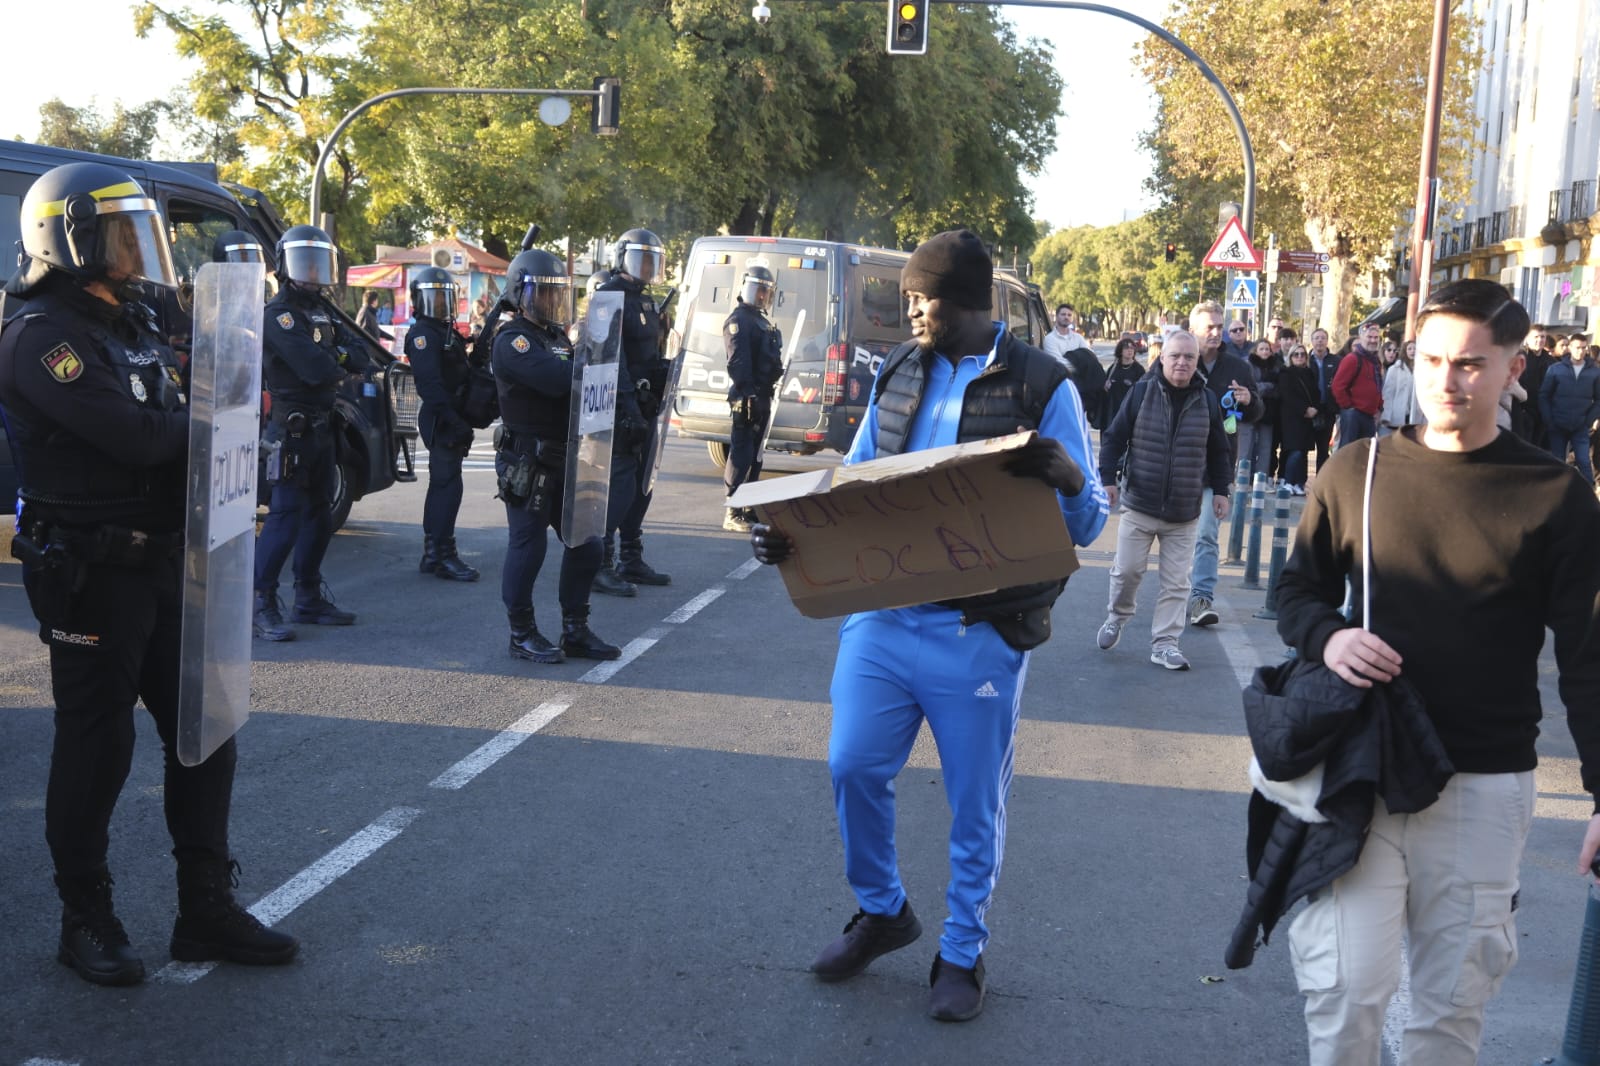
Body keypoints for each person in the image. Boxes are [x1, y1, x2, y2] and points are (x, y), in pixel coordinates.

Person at [748, 230, 1108, 1023]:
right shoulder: (898, 370)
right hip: (883, 621)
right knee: (851, 767)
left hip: (978, 632)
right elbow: (852, 486)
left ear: (970, 303)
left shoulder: (1046, 385)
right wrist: (787, 532)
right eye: (908, 296)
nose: (909, 308)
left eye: (924, 298)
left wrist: (1071, 477)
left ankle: (962, 952)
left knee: (973, 802)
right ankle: (883, 912)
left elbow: (1087, 524)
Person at [1273, 278, 1600, 1065]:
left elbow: (1589, 654)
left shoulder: (1555, 493)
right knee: (1346, 993)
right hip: (1365, 772)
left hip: (1483, 785)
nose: (1447, 381)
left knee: (1449, 1021)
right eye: (1431, 361)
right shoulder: (1359, 470)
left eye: (1470, 365)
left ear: (1514, 368)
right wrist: (1328, 639)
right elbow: (1297, 589)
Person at [0, 162, 298, 986]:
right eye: (122, 233)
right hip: (94, 573)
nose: (139, 250)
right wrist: (205, 417)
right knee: (98, 747)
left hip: (170, 559)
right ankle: (84, 916)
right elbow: (134, 437)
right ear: (68, 239)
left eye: (143, 233)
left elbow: (182, 407)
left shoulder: (130, 322)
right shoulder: (41, 337)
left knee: (206, 731)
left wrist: (203, 406)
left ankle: (204, 910)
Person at [491, 248, 621, 664]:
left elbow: (583, 377)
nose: (552, 301)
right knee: (528, 548)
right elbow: (557, 380)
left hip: (566, 457)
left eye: (556, 294)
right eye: (544, 293)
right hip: (528, 463)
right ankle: (521, 632)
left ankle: (575, 630)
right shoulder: (514, 340)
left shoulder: (555, 337)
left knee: (587, 543)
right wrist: (589, 357)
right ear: (521, 294)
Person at [252, 225, 369, 641]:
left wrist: (337, 355)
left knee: (320, 513)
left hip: (323, 426)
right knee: (285, 516)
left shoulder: (322, 311)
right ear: (284, 265)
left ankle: (308, 597)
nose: (313, 271)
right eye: (305, 261)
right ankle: (260, 601)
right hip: (292, 428)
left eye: (320, 262)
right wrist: (338, 357)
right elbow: (316, 367)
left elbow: (361, 354)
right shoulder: (278, 315)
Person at [1095, 330, 1232, 670]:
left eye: (1189, 357)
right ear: (1162, 358)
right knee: (1127, 572)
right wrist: (1108, 481)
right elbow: (1114, 438)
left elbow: (1219, 450)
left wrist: (1221, 490)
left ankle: (1165, 643)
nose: (1182, 362)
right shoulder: (1142, 391)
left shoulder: (1208, 400)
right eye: (1175, 356)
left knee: (1176, 583)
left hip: (1184, 512)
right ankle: (1117, 615)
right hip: (1140, 503)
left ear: (1196, 361)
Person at [592, 227, 672, 596]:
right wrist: (627, 407)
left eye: (652, 259)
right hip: (619, 409)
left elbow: (648, 357)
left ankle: (631, 557)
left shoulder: (647, 302)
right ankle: (601, 563)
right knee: (619, 486)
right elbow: (611, 358)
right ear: (621, 256)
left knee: (643, 485)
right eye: (640, 257)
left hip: (644, 406)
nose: (647, 266)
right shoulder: (608, 296)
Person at [1185, 300, 1263, 629]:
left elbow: (1256, 411)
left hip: (1216, 464)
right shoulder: (1178, 359)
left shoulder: (1238, 367)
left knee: (1206, 533)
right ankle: (1173, 594)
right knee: (1172, 535)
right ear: (1193, 331)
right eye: (1210, 327)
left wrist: (1249, 401)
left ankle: (1201, 598)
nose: (1217, 333)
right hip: (1177, 463)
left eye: (1220, 326)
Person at [406, 266, 479, 582]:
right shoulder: (422, 334)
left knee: (446, 485)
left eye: (443, 299)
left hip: (450, 416)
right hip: (441, 418)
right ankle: (441, 554)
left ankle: (434, 553)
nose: (438, 306)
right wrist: (453, 420)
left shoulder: (446, 332)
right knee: (446, 486)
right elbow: (430, 385)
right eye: (432, 299)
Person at [720, 263, 784, 532]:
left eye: (765, 292)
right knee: (742, 453)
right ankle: (732, 510)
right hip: (747, 398)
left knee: (756, 455)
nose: (761, 296)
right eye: (757, 290)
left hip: (762, 395)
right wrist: (749, 393)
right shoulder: (739, 321)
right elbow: (737, 362)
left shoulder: (762, 321)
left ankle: (749, 506)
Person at [1539, 332, 1599, 484]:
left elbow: (1599, 399)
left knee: (1584, 462)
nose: (1581, 351)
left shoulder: (1595, 372)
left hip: (1580, 424)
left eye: (1584, 348)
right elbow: (1544, 395)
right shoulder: (1556, 369)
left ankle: (1589, 499)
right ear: (1570, 348)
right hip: (1557, 423)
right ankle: (1556, 495)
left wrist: (1588, 420)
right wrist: (1549, 419)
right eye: (1577, 347)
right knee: (1557, 462)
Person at [1041, 303, 1106, 426]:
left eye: (1069, 315)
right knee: (1063, 422)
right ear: (1057, 316)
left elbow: (1090, 357)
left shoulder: (1078, 338)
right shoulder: (1050, 339)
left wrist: (1081, 361)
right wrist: (1081, 362)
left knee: (1078, 422)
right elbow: (1059, 363)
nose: (1066, 317)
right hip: (1061, 386)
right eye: (1063, 314)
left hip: (1082, 389)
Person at [1331, 322, 1384, 447]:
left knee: (1365, 455)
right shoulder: (1352, 359)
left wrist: (1378, 408)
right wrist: (1349, 407)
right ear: (1361, 339)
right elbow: (1337, 386)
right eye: (1369, 337)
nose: (1373, 340)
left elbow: (1377, 388)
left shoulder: (1375, 361)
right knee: (1349, 453)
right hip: (1354, 414)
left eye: (1376, 337)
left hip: (1369, 415)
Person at [1277, 344, 1319, 495]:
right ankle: (1288, 481)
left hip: (1308, 418)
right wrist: (1304, 410)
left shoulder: (1310, 373)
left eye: (1302, 354)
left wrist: (1314, 408)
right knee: (1295, 450)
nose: (1300, 357)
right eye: (1296, 354)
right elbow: (1287, 396)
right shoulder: (1285, 373)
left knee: (1304, 451)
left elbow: (1316, 393)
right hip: (1292, 417)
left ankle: (1300, 483)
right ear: (1290, 357)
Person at [1239, 338, 1280, 481]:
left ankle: (1260, 478)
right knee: (1245, 445)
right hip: (1249, 408)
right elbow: (1249, 386)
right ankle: (1242, 477)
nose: (1265, 352)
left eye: (1267, 349)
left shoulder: (1275, 365)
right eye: (1261, 349)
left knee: (1265, 446)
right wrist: (1266, 387)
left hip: (1268, 411)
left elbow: (1278, 388)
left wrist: (1261, 388)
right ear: (1255, 350)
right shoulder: (1247, 364)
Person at [1307, 328, 1341, 471]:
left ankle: (1321, 478)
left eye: (1322, 338)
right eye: (1316, 338)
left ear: (1327, 341)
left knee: (1323, 447)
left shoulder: (1336, 360)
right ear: (1312, 341)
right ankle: (1301, 481)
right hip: (1309, 410)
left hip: (1328, 409)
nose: (1320, 341)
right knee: (1305, 446)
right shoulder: (1306, 360)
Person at [1377, 339, 1421, 437]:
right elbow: (1387, 394)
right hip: (1395, 416)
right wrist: (1386, 416)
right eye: (1409, 349)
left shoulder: (1421, 371)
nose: (1413, 351)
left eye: (1415, 348)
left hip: (1413, 418)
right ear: (1404, 351)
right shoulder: (1395, 369)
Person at [1102, 336, 1145, 427]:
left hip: (1130, 411)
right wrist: (1106, 386)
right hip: (1112, 410)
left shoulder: (1139, 369)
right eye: (1126, 348)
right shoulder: (1113, 368)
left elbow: (1143, 390)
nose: (1130, 350)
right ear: (1120, 351)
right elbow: (1105, 386)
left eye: (1132, 348)